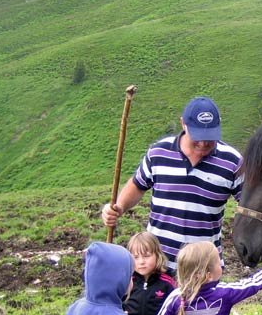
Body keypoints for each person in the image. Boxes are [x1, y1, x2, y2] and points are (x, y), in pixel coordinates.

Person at [101, 96, 242, 275]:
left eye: (210, 137)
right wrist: (118, 208)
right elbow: (138, 184)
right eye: (197, 137)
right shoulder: (159, 152)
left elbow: (250, 203)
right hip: (158, 266)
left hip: (202, 270)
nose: (204, 143)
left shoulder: (233, 161)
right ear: (183, 124)